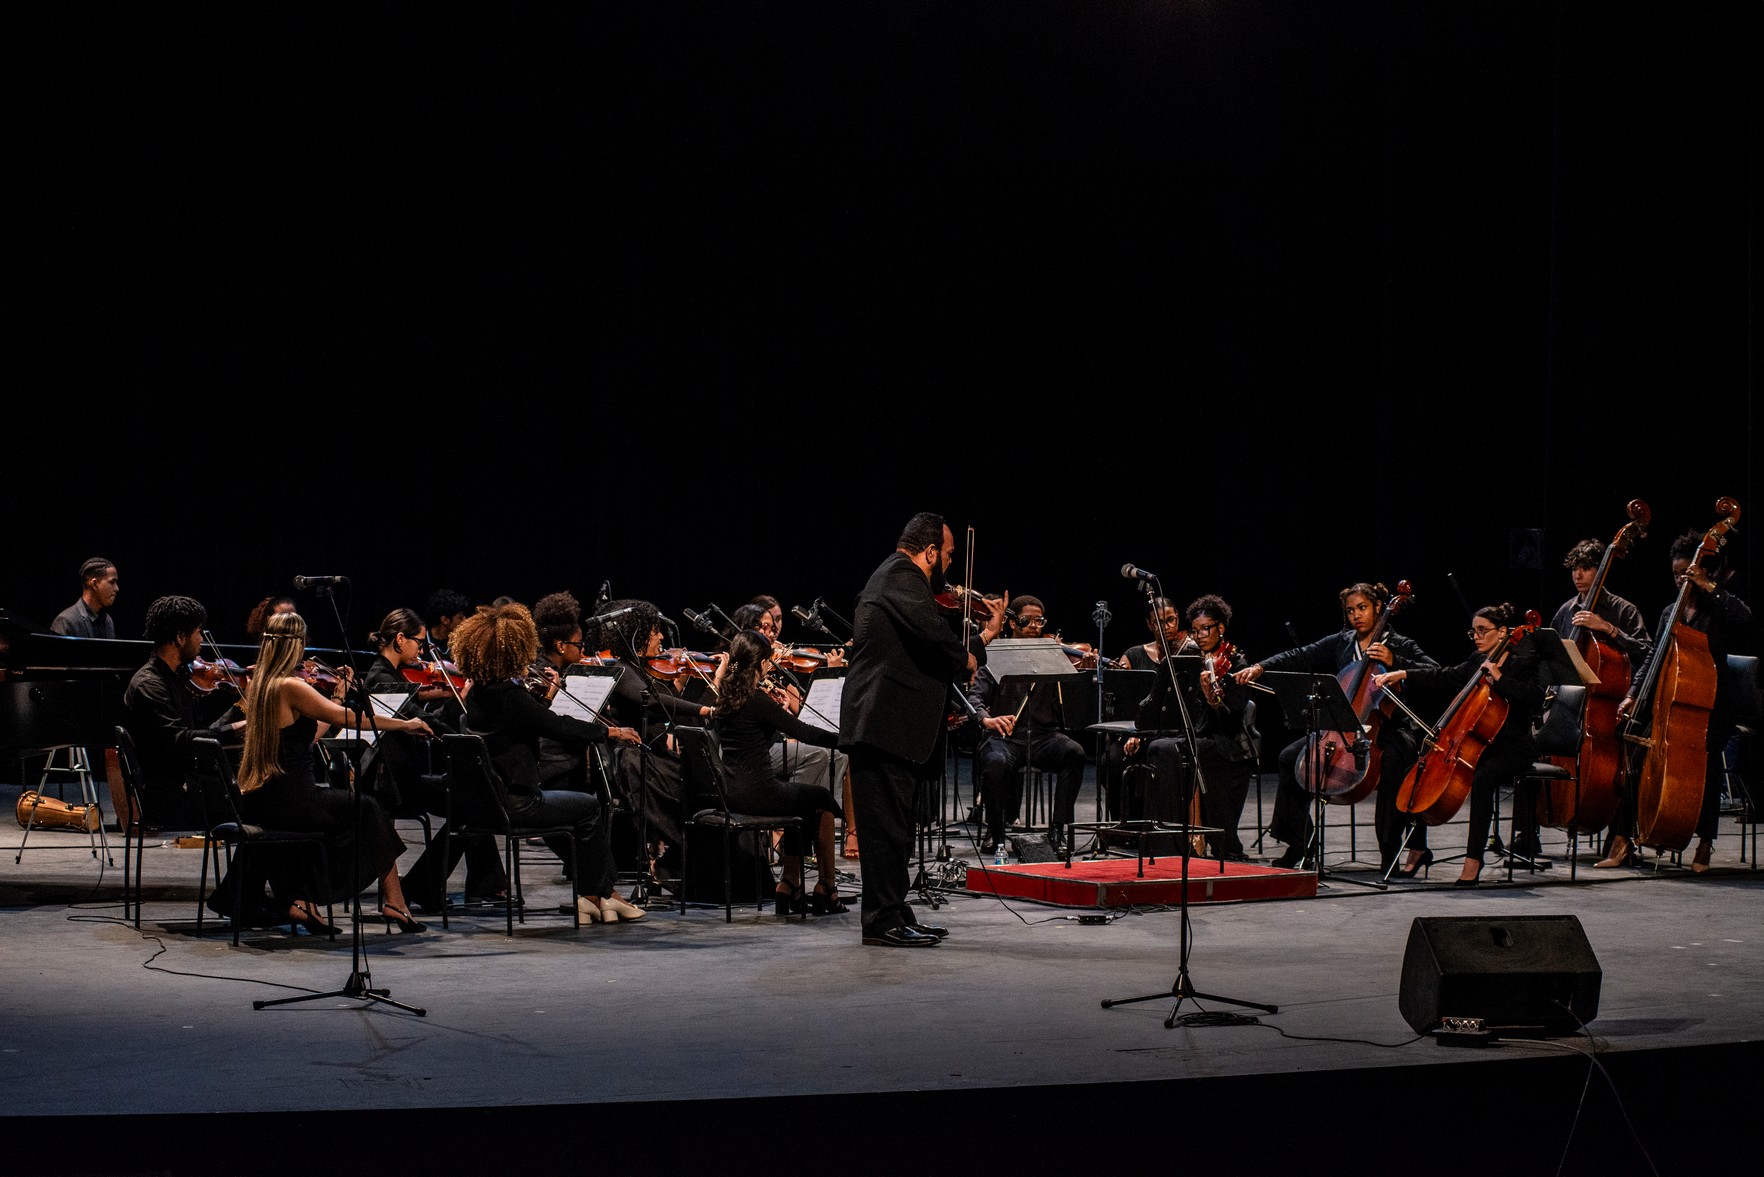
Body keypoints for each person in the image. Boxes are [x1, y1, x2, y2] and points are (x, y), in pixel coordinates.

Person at [838, 512, 1003, 948]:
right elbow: (934, 637)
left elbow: (923, 646)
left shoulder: (896, 579)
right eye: (948, 555)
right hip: (881, 727)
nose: (948, 566)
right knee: (886, 832)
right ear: (929, 552)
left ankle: (895, 911)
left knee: (896, 829)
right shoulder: (902, 575)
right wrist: (972, 654)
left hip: (890, 729)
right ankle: (881, 921)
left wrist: (978, 639)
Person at [440, 601, 641, 924]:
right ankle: (597, 895)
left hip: (488, 803)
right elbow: (556, 725)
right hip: (518, 803)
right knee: (588, 807)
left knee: (578, 808)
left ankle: (598, 896)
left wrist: (546, 697)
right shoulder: (509, 695)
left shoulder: (479, 693)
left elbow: (532, 718)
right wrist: (610, 731)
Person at [235, 611, 433, 935]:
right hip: (295, 799)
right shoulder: (290, 685)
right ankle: (395, 902)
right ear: (295, 644)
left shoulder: (262, 685)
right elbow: (351, 720)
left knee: (352, 813)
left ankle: (303, 901)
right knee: (368, 808)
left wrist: (337, 695)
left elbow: (308, 736)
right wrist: (404, 724)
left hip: (267, 797)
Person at [1235, 581, 1437, 873]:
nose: (1357, 615)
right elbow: (1299, 654)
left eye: (1363, 608)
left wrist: (1397, 662)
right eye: (1351, 610)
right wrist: (1259, 667)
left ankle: (1392, 848)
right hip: (1345, 726)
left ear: (1379, 607)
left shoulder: (1398, 643)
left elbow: (1434, 671)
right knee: (1290, 758)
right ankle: (1301, 842)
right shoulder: (1343, 642)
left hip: (1390, 727)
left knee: (1394, 761)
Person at [1608, 531, 1753, 872]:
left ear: (1702, 571)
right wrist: (1631, 696)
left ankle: (1705, 842)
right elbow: (1652, 661)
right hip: (1672, 704)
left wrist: (1707, 585)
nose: (1680, 580)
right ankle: (1623, 838)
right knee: (1631, 741)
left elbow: (1745, 617)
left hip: (1713, 703)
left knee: (1708, 760)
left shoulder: (1716, 607)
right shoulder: (1669, 613)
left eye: (1686, 572)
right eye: (1675, 574)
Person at [1372, 603, 1545, 887]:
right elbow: (1444, 676)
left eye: (1483, 631)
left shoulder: (1523, 661)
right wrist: (1402, 673)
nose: (1476, 637)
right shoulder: (1477, 660)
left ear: (1503, 633)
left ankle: (1473, 859)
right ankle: (1417, 847)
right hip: (1478, 744)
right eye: (1473, 631)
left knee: (1484, 778)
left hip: (1514, 747)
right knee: (1414, 771)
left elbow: (1536, 697)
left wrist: (1499, 679)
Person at [359, 607, 509, 911]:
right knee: (470, 805)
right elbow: (423, 722)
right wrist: (458, 713)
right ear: (400, 640)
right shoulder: (380, 679)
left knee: (471, 803)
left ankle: (479, 886)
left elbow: (428, 719)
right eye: (418, 642)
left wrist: (458, 700)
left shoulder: (392, 674)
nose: (422, 650)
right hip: (390, 784)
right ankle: (431, 886)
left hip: (403, 776)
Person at [712, 628, 848, 914]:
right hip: (761, 793)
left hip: (731, 794)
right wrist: (845, 741)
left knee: (803, 801)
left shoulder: (724, 698)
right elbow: (804, 732)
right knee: (821, 799)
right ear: (762, 664)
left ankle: (790, 883)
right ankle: (826, 888)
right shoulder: (757, 700)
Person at [1121, 595, 1259, 860]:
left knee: (1174, 750)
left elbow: (1232, 720)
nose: (1200, 635)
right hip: (1196, 735)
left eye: (1206, 629)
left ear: (1220, 628)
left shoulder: (1236, 662)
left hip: (1227, 741)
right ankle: (1167, 842)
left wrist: (1212, 699)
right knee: (1161, 748)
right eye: (1195, 630)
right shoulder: (1191, 658)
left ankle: (1197, 838)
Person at [1548, 538, 1653, 865]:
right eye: (1575, 568)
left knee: (1625, 763)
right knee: (1530, 739)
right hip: (1571, 702)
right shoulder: (1566, 611)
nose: (1578, 574)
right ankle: (1527, 838)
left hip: (1614, 705)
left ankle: (1619, 838)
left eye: (1587, 568)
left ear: (1602, 571)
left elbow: (1648, 652)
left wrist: (1607, 628)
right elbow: (1552, 658)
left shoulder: (1623, 610)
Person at [965, 595, 1088, 856]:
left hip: (1044, 736)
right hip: (1005, 737)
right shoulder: (994, 653)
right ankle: (996, 834)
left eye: (1039, 621)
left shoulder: (1052, 654)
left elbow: (1073, 704)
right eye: (1027, 621)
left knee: (1074, 752)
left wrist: (1083, 672)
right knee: (995, 762)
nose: (1034, 626)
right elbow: (975, 695)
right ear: (1012, 623)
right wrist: (986, 718)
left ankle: (1057, 830)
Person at [120, 595, 247, 832]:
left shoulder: (177, 677)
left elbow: (200, 734)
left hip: (191, 785)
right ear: (180, 637)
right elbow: (182, 741)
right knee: (267, 808)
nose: (201, 640)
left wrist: (241, 709)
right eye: (198, 632)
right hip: (174, 796)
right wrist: (238, 729)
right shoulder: (149, 685)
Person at [1097, 594, 1188, 822]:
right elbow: (1121, 700)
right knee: (1110, 760)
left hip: (1172, 731)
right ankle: (1124, 822)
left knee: (1154, 753)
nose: (1166, 627)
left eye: (1171, 620)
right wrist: (1134, 733)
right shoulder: (1134, 655)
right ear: (1149, 624)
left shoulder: (1188, 653)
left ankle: (1151, 822)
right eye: (1158, 622)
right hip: (1136, 731)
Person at [51, 556, 119, 639]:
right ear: (94, 584)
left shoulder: (108, 621)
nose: (116, 588)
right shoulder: (66, 621)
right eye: (112, 582)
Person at [423, 588, 474, 660]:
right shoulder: (421, 644)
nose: (465, 620)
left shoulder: (462, 642)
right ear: (445, 620)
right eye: (460, 617)